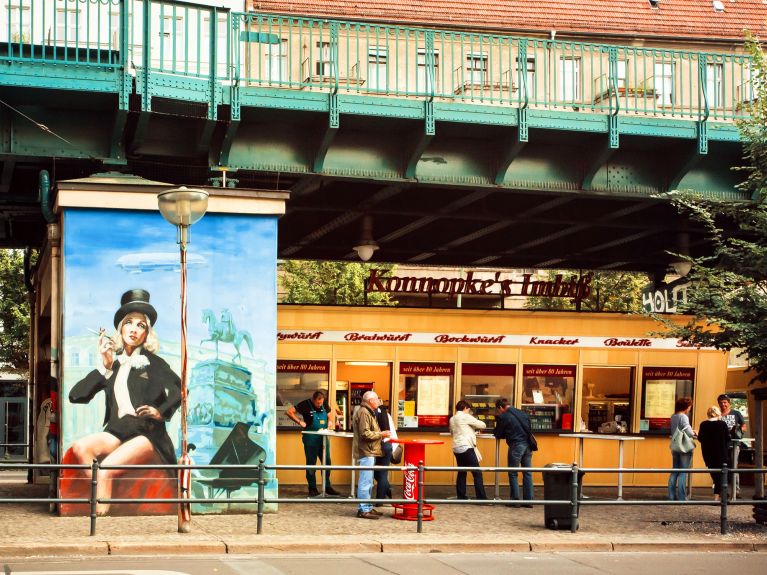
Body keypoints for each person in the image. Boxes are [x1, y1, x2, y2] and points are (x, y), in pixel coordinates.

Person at [68, 289, 181, 515]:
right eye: (129, 322)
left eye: (141, 325)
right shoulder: (114, 363)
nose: (134, 329)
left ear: (147, 333)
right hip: (118, 431)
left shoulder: (154, 363)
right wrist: (105, 365)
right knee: (80, 448)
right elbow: (76, 396)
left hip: (147, 434)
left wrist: (161, 412)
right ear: (120, 328)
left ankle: (100, 516)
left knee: (106, 470)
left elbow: (180, 389)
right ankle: (103, 498)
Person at [286, 390, 340, 497]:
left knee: (327, 462)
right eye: (318, 403)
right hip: (310, 437)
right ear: (313, 400)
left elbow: (329, 415)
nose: (320, 405)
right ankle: (312, 488)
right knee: (311, 463)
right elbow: (289, 412)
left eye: (321, 403)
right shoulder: (305, 404)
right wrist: (300, 422)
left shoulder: (324, 404)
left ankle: (327, 487)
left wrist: (330, 421)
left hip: (323, 437)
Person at [352, 390, 390, 519]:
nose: (379, 401)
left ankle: (367, 507)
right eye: (376, 399)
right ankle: (363, 509)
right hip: (366, 450)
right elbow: (365, 434)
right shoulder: (364, 412)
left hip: (368, 450)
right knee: (365, 481)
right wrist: (381, 434)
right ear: (370, 401)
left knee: (368, 481)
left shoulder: (367, 411)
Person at [493, 398, 534, 506]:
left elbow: (498, 433)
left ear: (501, 407)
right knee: (527, 473)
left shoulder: (504, 416)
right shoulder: (523, 413)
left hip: (516, 445)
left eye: (498, 410)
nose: (499, 412)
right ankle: (529, 501)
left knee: (513, 473)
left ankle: (515, 500)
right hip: (528, 445)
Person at [449, 400, 489, 501]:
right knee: (477, 473)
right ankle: (482, 498)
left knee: (462, 471)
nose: (469, 411)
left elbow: (454, 432)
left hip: (456, 447)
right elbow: (482, 425)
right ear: (465, 408)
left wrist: (471, 432)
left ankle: (461, 496)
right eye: (468, 409)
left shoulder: (452, 419)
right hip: (466, 447)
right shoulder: (465, 416)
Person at [697, 405, 730, 501]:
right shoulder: (722, 424)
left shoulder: (703, 424)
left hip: (708, 454)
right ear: (718, 413)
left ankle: (719, 495)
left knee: (715, 475)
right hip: (721, 453)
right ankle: (719, 496)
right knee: (721, 475)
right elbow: (727, 438)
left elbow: (700, 438)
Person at [717, 393, 746, 497]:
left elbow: (744, 426)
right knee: (722, 467)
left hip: (734, 444)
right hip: (721, 445)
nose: (723, 404)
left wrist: (737, 431)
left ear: (729, 403)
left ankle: (736, 491)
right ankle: (723, 491)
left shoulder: (736, 413)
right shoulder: (717, 414)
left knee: (734, 466)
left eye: (725, 402)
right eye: (721, 403)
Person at [668, 396, 696, 501]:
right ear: (686, 407)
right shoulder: (683, 417)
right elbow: (688, 432)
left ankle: (671, 496)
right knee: (683, 471)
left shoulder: (673, 416)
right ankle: (681, 497)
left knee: (674, 470)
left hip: (675, 446)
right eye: (689, 407)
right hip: (684, 446)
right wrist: (694, 432)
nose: (689, 409)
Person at [374, 403, 395, 504]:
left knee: (374, 472)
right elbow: (393, 432)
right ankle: (381, 498)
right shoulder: (387, 415)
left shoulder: (372, 415)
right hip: (388, 445)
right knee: (382, 473)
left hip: (377, 446)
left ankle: (386, 489)